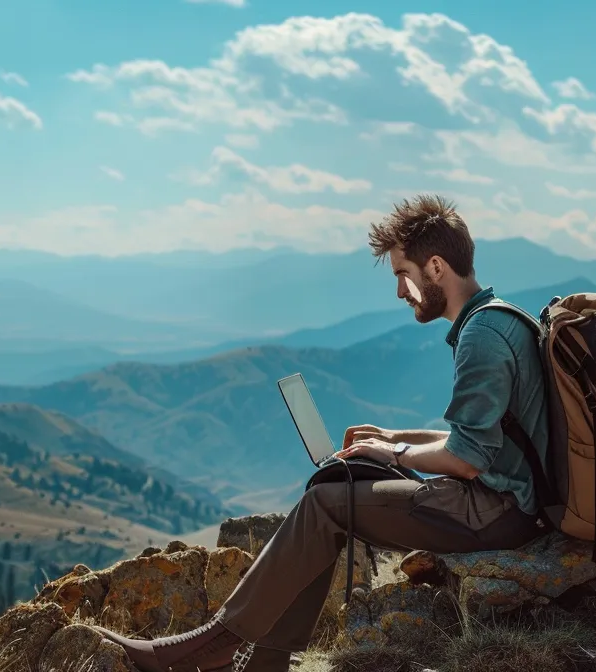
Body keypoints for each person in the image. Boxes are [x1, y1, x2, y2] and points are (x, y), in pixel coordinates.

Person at [105, 194, 553, 671]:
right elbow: (481, 437)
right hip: (501, 503)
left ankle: (210, 648)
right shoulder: (497, 319)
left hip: (497, 513)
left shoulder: (481, 337)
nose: (401, 292)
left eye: (403, 274)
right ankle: (263, 661)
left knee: (325, 506)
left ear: (436, 267)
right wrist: (390, 438)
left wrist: (395, 453)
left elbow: (468, 458)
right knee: (337, 485)